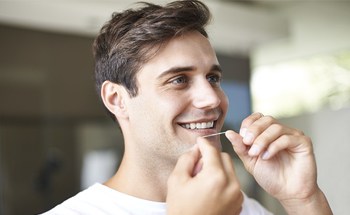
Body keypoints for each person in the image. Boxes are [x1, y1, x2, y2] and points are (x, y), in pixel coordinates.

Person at [42, 1, 332, 214]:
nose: (212, 99)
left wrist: (303, 200)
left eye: (213, 78)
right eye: (179, 79)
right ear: (117, 99)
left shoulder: (245, 208)